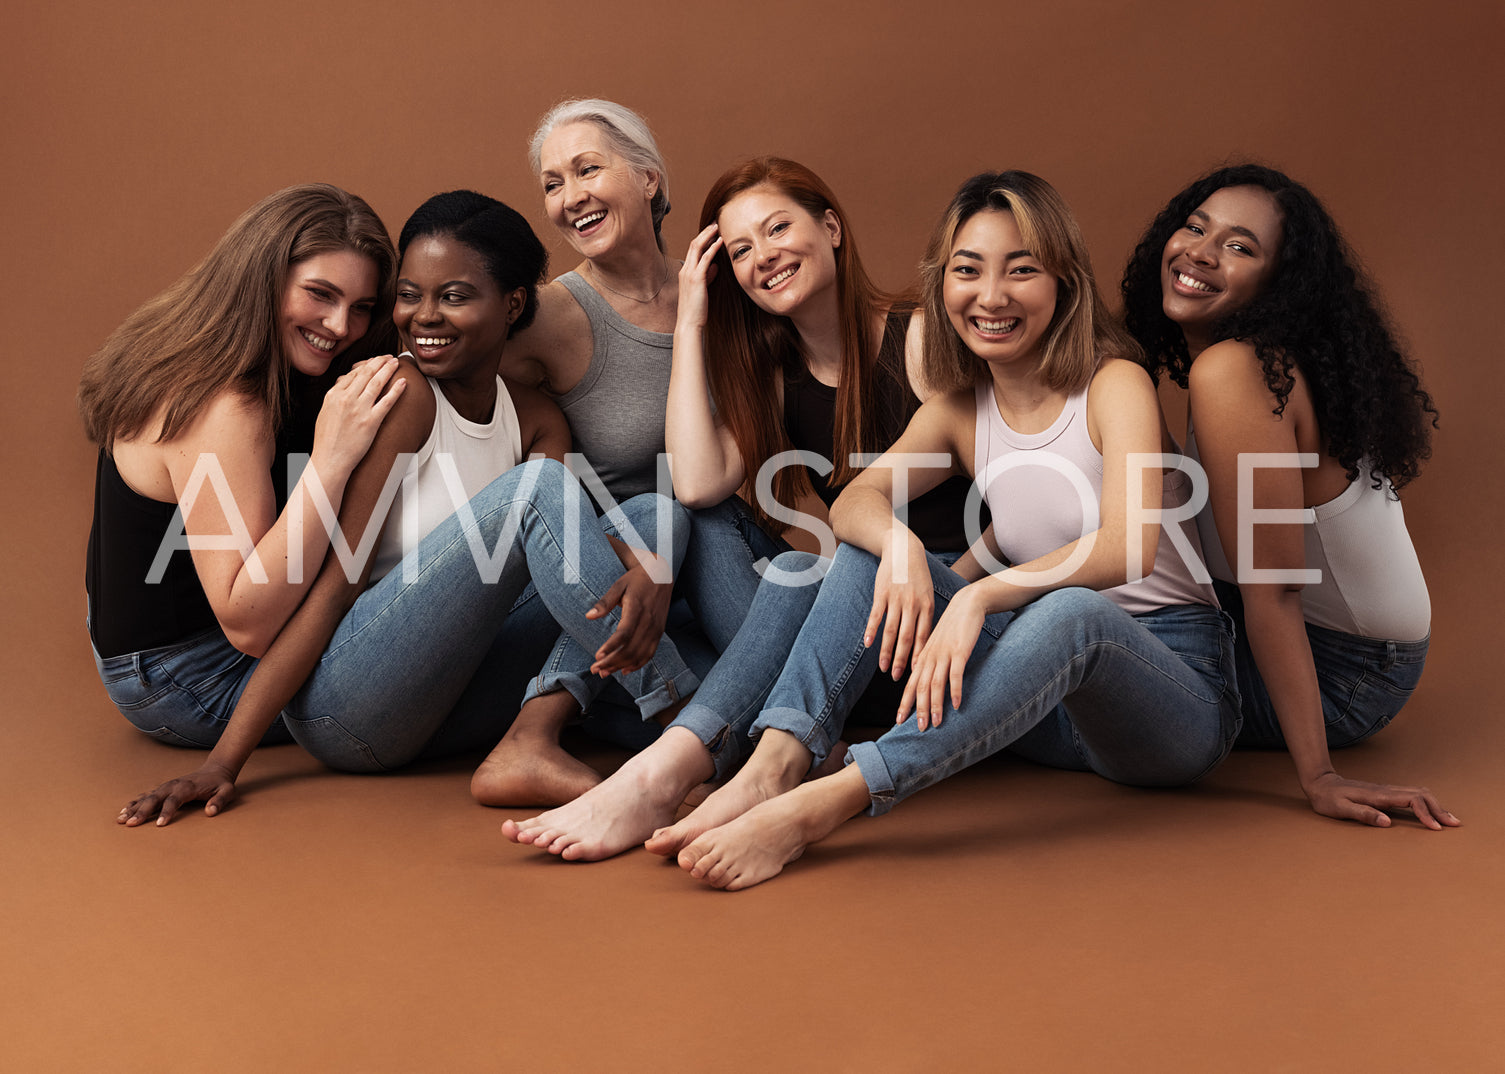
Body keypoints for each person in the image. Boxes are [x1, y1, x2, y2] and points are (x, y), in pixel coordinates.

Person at [622, 169, 1246, 889]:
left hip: (1167, 699)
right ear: (941, 284)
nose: (991, 296)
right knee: (864, 556)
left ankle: (829, 803)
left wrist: (978, 597)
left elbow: (1126, 547)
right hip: (1038, 703)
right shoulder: (958, 409)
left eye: (1021, 270)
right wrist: (900, 548)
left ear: (1064, 282)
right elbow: (859, 500)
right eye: (967, 271)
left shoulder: (1112, 384)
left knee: (1072, 613)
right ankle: (774, 765)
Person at [117, 190, 698, 825]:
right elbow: (332, 593)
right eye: (409, 296)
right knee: (541, 491)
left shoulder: (534, 419)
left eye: (453, 296)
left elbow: (569, 551)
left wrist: (645, 563)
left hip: (449, 690)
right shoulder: (401, 396)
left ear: (513, 304)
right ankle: (683, 736)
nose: (424, 317)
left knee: (654, 518)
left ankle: (535, 739)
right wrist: (223, 764)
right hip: (351, 704)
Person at [1119, 163, 1457, 830]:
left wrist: (1319, 777)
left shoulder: (1236, 372)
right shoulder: (1250, 366)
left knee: (1061, 654)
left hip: (1345, 673)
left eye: (1239, 247)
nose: (1200, 253)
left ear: (1279, 284)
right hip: (1319, 645)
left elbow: (1274, 586)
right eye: (1194, 227)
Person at [80, 183, 403, 750]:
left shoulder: (201, 344)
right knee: (459, 660)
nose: (339, 326)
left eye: (361, 308)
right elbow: (250, 624)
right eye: (319, 294)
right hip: (192, 679)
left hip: (150, 653)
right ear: (264, 277)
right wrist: (332, 457)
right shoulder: (227, 403)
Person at [473, 98, 698, 805]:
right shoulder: (546, 316)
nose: (569, 198)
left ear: (649, 179)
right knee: (659, 514)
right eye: (551, 183)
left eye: (586, 169)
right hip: (587, 583)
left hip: (686, 579)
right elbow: (444, 376)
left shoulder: (712, 288)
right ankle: (546, 732)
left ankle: (664, 730)